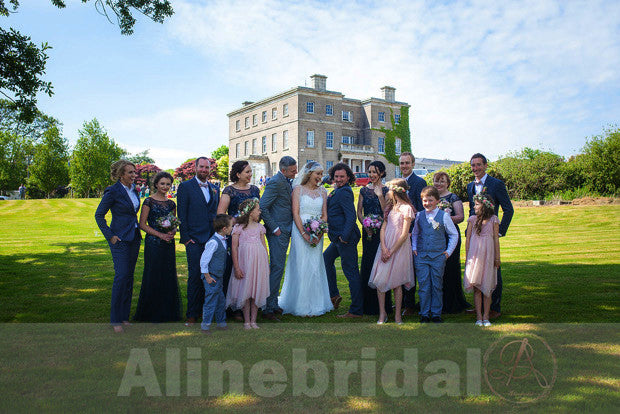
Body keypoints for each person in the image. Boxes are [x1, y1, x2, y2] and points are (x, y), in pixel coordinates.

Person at [278, 162, 333, 316]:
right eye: (318, 174)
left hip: (318, 232)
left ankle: (316, 303)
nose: (320, 177)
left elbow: (324, 215)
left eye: (321, 174)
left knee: (315, 265)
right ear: (309, 174)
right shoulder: (298, 190)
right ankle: (299, 304)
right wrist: (304, 233)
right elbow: (295, 213)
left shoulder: (323, 191)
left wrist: (319, 233)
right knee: (301, 264)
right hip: (300, 231)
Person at [94, 160, 141, 333]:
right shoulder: (113, 191)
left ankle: (124, 317)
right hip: (119, 240)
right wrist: (111, 236)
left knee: (129, 278)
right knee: (121, 277)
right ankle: (115, 320)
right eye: (130, 172)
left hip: (134, 238)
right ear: (121, 174)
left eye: (134, 172)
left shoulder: (134, 190)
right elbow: (99, 215)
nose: (133, 175)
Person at [466, 153, 513, 319]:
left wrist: (499, 231)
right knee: (476, 269)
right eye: (473, 165)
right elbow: (473, 210)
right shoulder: (470, 186)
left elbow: (508, 210)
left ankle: (494, 307)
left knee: (493, 270)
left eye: (478, 165)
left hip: (490, 234)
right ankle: (479, 306)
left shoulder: (496, 184)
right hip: (476, 235)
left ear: (485, 165)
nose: (475, 168)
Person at [133, 171, 182, 323]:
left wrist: (172, 231)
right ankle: (151, 312)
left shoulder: (171, 203)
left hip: (168, 243)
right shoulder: (149, 201)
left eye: (168, 184)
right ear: (156, 184)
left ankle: (167, 311)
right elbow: (142, 224)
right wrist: (160, 235)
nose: (165, 187)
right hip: (154, 243)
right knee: (153, 274)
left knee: (168, 274)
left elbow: (173, 221)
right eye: (162, 184)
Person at [177, 157, 220, 326]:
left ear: (210, 169)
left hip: (212, 240)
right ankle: (192, 314)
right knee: (195, 276)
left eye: (206, 167)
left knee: (210, 276)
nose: (204, 170)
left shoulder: (215, 188)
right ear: (195, 168)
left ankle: (207, 310)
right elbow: (182, 214)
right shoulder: (185, 187)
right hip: (194, 240)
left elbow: (216, 214)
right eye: (201, 167)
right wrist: (186, 238)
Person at [368, 179, 415, 325]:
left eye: (389, 189)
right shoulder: (389, 207)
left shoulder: (407, 208)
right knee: (380, 279)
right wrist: (383, 247)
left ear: (395, 191)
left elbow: (404, 234)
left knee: (397, 282)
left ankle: (397, 316)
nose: (387, 192)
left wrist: (392, 251)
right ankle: (382, 314)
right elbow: (383, 227)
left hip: (399, 248)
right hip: (386, 245)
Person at [412, 186, 459, 323]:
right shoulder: (420, 215)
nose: (427, 203)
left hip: (438, 256)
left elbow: (453, 234)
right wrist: (414, 247)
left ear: (437, 201)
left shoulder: (443, 216)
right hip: (421, 256)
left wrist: (448, 252)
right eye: (425, 201)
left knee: (437, 285)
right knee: (424, 285)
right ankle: (425, 313)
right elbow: (415, 233)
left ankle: (436, 313)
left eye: (430, 200)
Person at [259, 156, 298, 321]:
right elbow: (262, 207)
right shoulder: (275, 182)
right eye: (293, 170)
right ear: (283, 170)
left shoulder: (287, 180)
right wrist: (274, 228)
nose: (296, 172)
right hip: (278, 232)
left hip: (286, 230)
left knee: (278, 268)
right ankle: (268, 308)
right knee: (276, 268)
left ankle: (273, 304)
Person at [323, 163, 363, 318]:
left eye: (342, 177)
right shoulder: (337, 190)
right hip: (338, 237)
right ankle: (334, 295)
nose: (338, 179)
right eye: (336, 176)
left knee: (351, 272)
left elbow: (351, 216)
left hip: (346, 238)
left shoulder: (345, 192)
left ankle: (356, 310)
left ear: (348, 178)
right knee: (326, 259)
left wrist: (344, 238)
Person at [217, 160, 260, 297]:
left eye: (250, 171)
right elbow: (221, 214)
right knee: (233, 266)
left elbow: (259, 212)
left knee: (249, 266)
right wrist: (239, 219)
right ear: (238, 174)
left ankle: (248, 300)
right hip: (235, 234)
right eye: (247, 172)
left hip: (252, 235)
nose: (250, 174)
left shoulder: (255, 190)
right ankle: (232, 303)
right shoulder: (229, 190)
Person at [228, 198, 270, 329]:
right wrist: (236, 267)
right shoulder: (238, 228)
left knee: (256, 290)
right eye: (258, 209)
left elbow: (264, 246)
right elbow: (234, 248)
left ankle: (254, 320)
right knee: (246, 291)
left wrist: (267, 264)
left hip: (258, 264)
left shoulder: (260, 228)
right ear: (250, 212)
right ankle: (246, 321)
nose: (260, 211)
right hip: (245, 264)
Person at [433, 172, 471, 314]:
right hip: (436, 236)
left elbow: (460, 217)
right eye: (436, 181)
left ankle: (452, 301)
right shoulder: (432, 197)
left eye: (442, 181)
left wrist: (445, 219)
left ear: (448, 183)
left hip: (450, 236)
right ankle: (437, 300)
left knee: (450, 267)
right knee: (436, 269)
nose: (439, 184)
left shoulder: (453, 197)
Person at [357, 161, 392, 315]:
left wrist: (379, 196)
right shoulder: (364, 190)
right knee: (368, 263)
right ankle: (366, 304)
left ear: (382, 173)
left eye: (374, 172)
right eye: (370, 172)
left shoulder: (387, 190)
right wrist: (364, 224)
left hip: (382, 232)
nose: (371, 175)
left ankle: (382, 306)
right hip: (368, 233)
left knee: (381, 265)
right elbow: (359, 211)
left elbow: (387, 212)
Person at [463, 193, 500, 327]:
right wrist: (468, 257)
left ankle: (486, 316)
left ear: (485, 205)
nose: (474, 206)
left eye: (477, 204)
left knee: (487, 286)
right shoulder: (472, 219)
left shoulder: (494, 219)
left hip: (488, 256)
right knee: (477, 286)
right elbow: (467, 239)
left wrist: (497, 257)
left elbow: (496, 239)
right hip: (475, 255)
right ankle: (479, 316)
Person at [399, 152, 425, 316]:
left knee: (411, 268)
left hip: (413, 231)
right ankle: (401, 302)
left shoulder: (419, 182)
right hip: (398, 230)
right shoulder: (398, 182)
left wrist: (413, 230)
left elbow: (422, 210)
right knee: (400, 266)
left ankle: (410, 304)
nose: (404, 166)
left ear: (413, 164)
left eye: (407, 163)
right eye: (402, 163)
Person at [199, 214, 233, 333]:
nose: (232, 229)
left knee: (220, 301)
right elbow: (204, 261)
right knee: (211, 302)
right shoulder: (213, 242)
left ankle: (221, 323)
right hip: (211, 277)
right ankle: (205, 326)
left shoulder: (223, 240)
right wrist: (207, 277)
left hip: (218, 277)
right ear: (224, 229)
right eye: (231, 227)